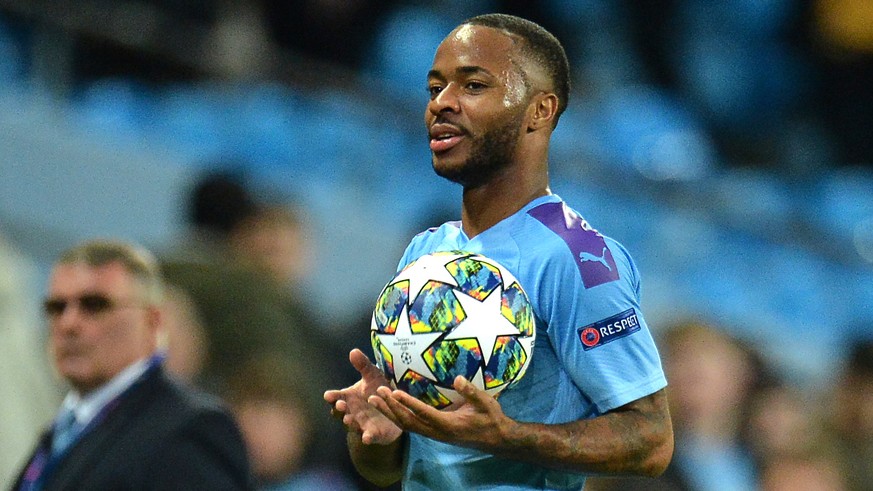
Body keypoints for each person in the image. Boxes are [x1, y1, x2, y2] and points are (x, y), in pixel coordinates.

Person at [324, 13, 673, 490]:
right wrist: (379, 434)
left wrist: (507, 436)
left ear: (540, 111)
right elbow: (389, 471)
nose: (441, 104)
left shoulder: (575, 256)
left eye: (473, 86)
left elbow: (652, 439)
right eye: (434, 89)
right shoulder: (426, 255)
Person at [11, 239, 252, 490]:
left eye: (95, 305)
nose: (68, 324)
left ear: (152, 322)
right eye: (57, 307)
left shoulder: (189, 429)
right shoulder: (62, 430)